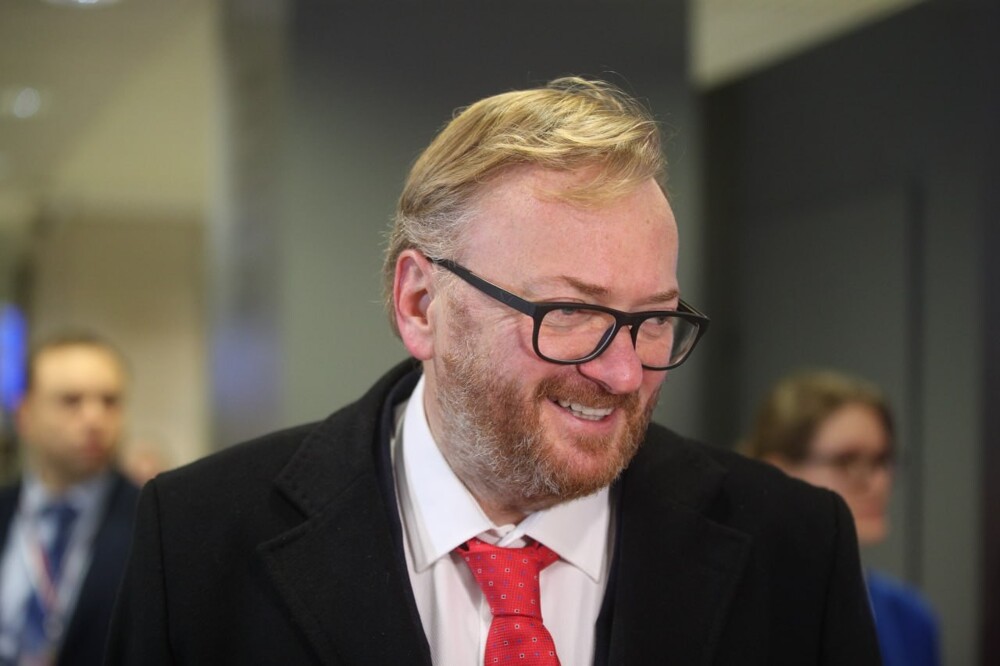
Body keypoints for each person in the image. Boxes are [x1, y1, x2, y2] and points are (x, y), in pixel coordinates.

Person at [106, 78, 881, 665]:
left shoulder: (795, 547)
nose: (622, 373)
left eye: (652, 318)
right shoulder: (200, 537)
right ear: (420, 304)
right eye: (568, 312)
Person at [742, 369, 941, 666]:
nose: (879, 483)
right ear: (777, 471)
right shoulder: (738, 608)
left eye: (882, 460)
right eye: (847, 461)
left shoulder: (910, 619)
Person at [0, 332, 140, 666]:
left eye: (109, 401)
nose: (94, 419)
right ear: (25, 415)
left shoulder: (149, 522)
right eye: (71, 401)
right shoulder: (5, 510)